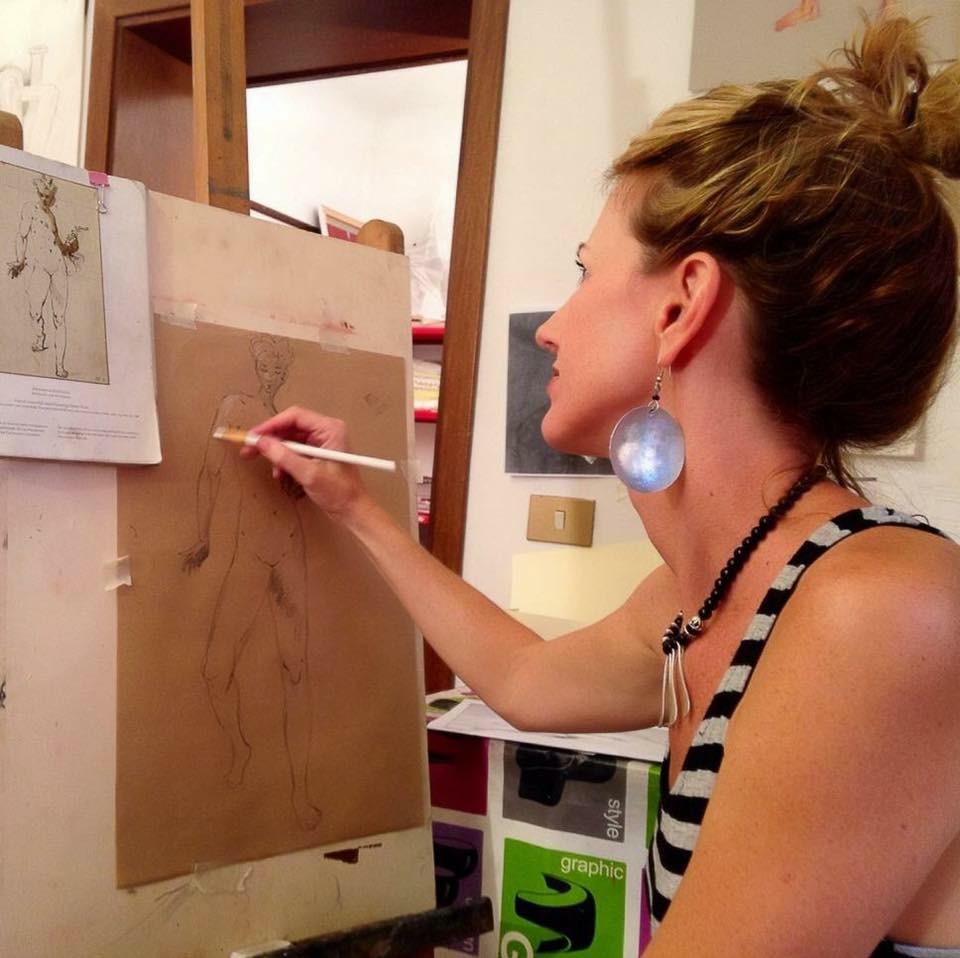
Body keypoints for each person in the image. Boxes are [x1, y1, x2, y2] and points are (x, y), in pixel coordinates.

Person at [246, 18, 960, 956]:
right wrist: (355, 508)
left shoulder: (880, 610)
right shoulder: (708, 592)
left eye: (583, 273)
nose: (550, 326)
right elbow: (527, 682)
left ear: (682, 306)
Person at [182, 334, 320, 831]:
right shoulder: (235, 407)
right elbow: (210, 473)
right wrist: (202, 537)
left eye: (280, 368)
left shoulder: (291, 427)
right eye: (267, 365)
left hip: (287, 548)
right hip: (248, 552)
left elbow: (300, 492)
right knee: (215, 670)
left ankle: (300, 792)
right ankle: (240, 749)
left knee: (295, 670)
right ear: (256, 363)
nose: (273, 374)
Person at [8, 173, 82, 379]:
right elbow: (21, 236)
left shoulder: (63, 212)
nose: (44, 199)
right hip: (38, 266)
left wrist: (69, 246)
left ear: (54, 195)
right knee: (35, 310)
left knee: (60, 317)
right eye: (41, 195)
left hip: (57, 266)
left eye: (48, 196)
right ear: (37, 192)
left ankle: (59, 366)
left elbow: (73, 243)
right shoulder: (29, 209)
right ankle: (40, 337)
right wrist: (20, 260)